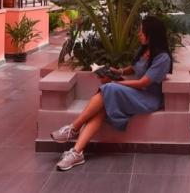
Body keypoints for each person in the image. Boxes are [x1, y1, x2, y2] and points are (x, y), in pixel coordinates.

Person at [50, 15, 173, 171]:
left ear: (152, 34)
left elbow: (144, 83)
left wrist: (116, 83)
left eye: (142, 32)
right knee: (102, 108)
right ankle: (77, 152)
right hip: (136, 93)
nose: (139, 34)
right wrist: (118, 71)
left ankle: (73, 128)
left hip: (147, 98)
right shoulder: (144, 50)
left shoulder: (162, 58)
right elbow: (134, 68)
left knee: (109, 89)